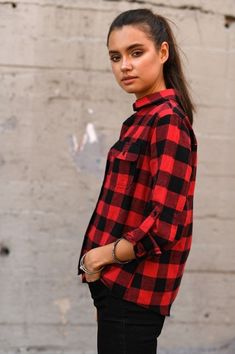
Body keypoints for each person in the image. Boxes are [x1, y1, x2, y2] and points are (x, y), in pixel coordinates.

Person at [77, 8, 197, 354]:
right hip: (117, 288)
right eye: (115, 57)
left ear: (162, 53)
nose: (124, 66)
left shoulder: (167, 122)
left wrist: (101, 257)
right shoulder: (143, 119)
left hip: (132, 290)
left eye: (136, 52)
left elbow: (165, 224)